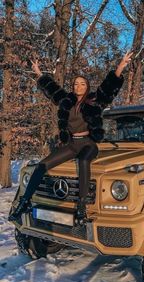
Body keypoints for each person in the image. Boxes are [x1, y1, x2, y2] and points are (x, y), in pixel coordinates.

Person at [9, 51, 133, 222]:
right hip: (72, 144)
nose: (78, 86)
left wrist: (120, 67)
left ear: (87, 86)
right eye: (75, 84)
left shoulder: (95, 100)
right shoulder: (66, 100)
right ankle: (24, 202)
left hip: (88, 144)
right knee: (41, 166)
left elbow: (109, 87)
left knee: (83, 161)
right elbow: (51, 89)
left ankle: (81, 208)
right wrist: (38, 72)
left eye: (82, 84)